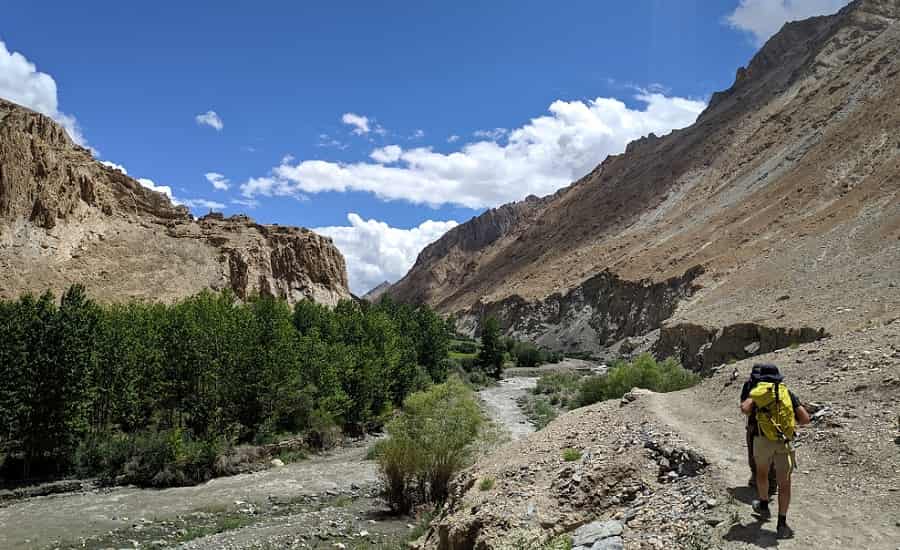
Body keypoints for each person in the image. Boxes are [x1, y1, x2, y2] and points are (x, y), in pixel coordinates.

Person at [740, 364, 811, 539]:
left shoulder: (758, 392)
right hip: (784, 442)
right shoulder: (786, 392)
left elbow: (745, 409)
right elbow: (805, 419)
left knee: (762, 474)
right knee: (784, 484)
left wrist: (754, 400)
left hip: (762, 440)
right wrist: (787, 425)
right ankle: (782, 523)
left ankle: (764, 506)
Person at [740, 365, 778, 490]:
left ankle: (757, 479)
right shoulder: (778, 387)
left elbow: (745, 408)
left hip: (755, 426)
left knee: (754, 454)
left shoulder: (750, 386)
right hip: (776, 427)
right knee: (773, 454)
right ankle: (772, 481)